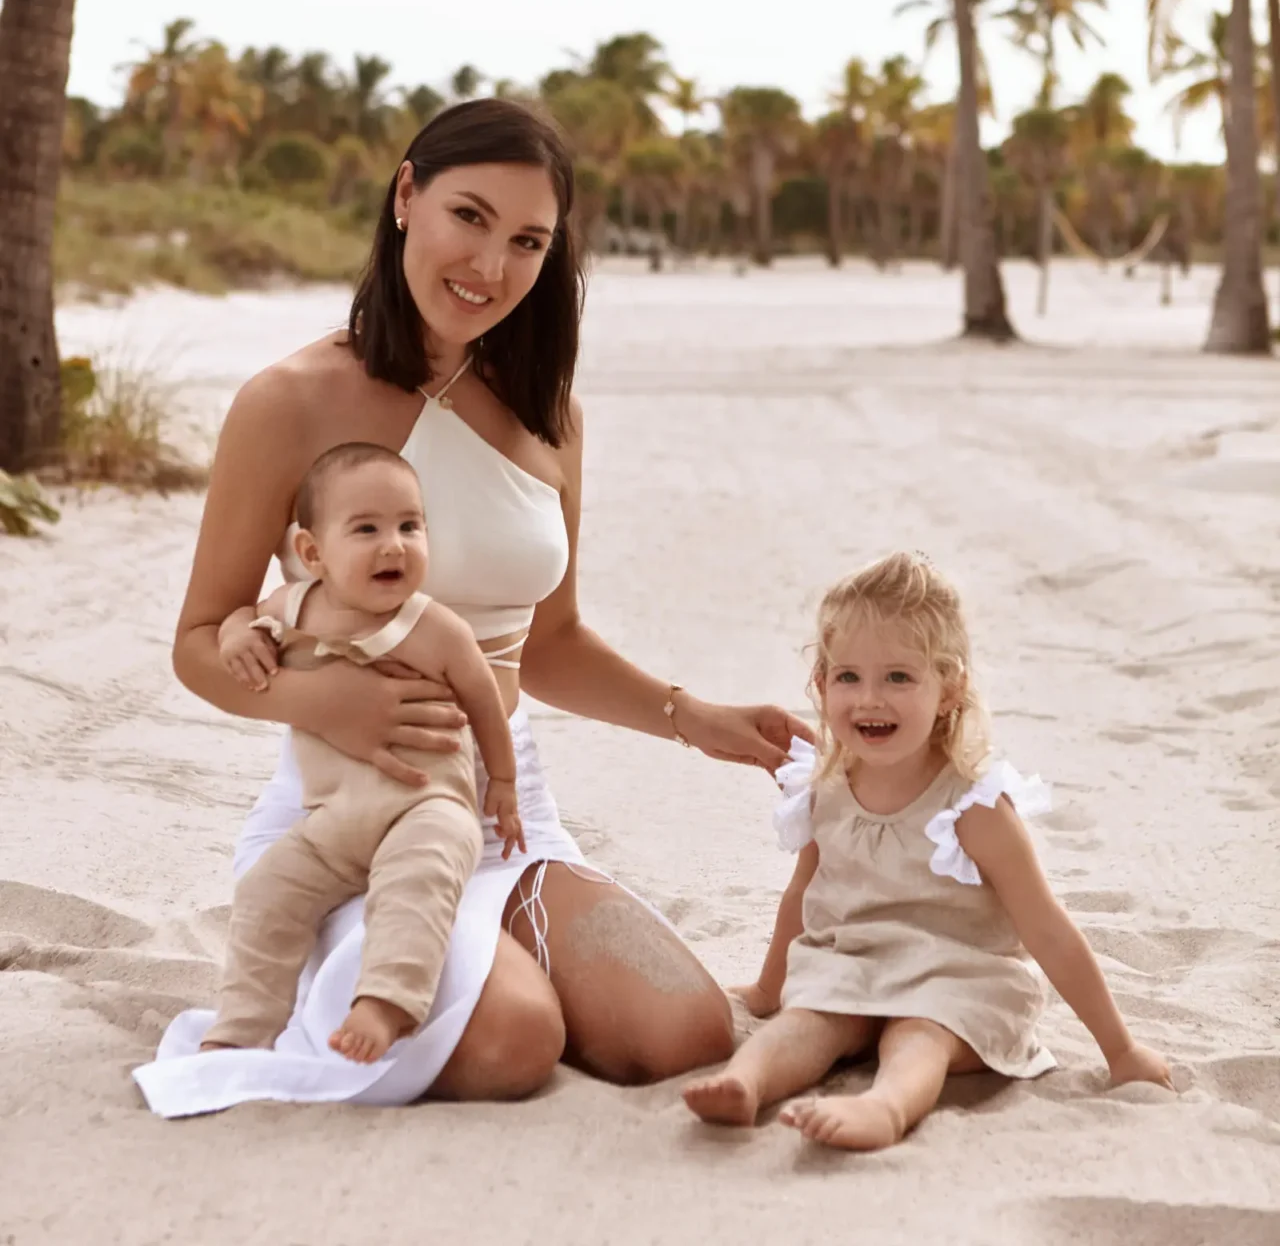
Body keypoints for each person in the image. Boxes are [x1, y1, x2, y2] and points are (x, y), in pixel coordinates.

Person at [133, 97, 807, 1119]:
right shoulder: (291, 401)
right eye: (469, 216)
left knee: (685, 1029)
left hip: (506, 803)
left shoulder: (549, 413)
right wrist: (329, 705)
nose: (490, 266)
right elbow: (198, 640)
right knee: (514, 1040)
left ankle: (482, 948)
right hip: (350, 812)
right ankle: (389, 968)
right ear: (406, 196)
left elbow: (551, 643)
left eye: (528, 240)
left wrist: (689, 716)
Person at [683, 552, 1174, 1151]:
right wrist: (767, 991)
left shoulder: (972, 806)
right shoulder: (825, 790)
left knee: (920, 1032)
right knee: (808, 1020)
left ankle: (886, 1107)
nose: (870, 699)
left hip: (958, 979)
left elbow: (1046, 928)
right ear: (821, 684)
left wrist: (1120, 1049)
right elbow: (803, 894)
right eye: (848, 677)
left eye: (898, 677)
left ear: (950, 688)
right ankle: (745, 1082)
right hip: (856, 965)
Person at [204, 440, 525, 1066]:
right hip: (333, 823)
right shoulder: (294, 607)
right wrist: (235, 631)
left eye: (411, 526)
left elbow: (486, 702)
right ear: (312, 553)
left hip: (426, 807)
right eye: (367, 529)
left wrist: (504, 783)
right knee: (268, 893)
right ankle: (241, 1028)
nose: (394, 545)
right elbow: (241, 614)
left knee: (418, 882)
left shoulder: (434, 627)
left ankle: (385, 1003)